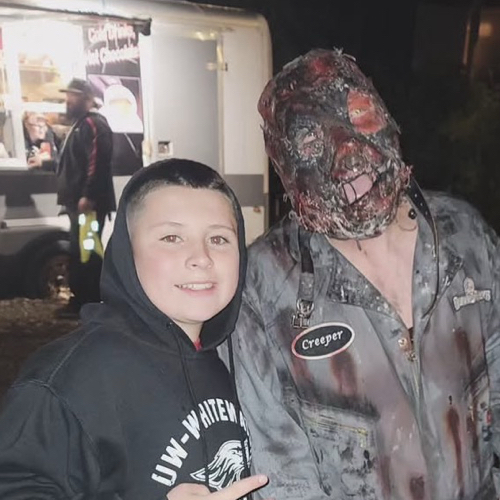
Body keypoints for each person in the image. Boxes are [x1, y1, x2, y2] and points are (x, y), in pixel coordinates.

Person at [232, 48, 500, 500]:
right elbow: (284, 477)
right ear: (283, 169)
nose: (348, 153)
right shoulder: (266, 288)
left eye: (359, 115)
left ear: (388, 119)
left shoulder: (465, 236)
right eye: (310, 141)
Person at [0, 158, 268, 499]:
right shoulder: (71, 378)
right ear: (127, 251)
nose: (201, 257)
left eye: (219, 239)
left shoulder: (229, 360)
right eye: (172, 237)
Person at [31, 77, 115, 318]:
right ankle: (84, 301)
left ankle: (88, 302)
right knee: (82, 251)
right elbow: (71, 163)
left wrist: (88, 195)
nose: (68, 100)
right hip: (78, 204)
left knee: (87, 253)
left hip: (87, 206)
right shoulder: (80, 125)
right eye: (67, 95)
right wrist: (45, 163)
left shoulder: (93, 124)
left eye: (73, 95)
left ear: (87, 99)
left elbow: (98, 161)